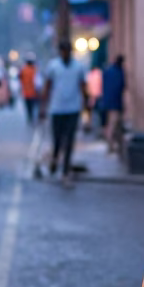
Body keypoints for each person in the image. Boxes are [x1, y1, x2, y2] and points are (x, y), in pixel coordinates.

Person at [40, 39, 86, 186]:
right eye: (63, 51)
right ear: (60, 52)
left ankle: (65, 171)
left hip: (73, 108)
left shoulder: (78, 67)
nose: (65, 54)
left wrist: (86, 105)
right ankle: (54, 159)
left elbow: (82, 86)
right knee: (58, 140)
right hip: (57, 108)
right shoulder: (53, 66)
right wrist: (43, 106)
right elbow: (47, 87)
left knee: (69, 141)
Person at [101, 55, 126, 153]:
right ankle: (110, 144)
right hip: (115, 102)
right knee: (114, 123)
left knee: (115, 123)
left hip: (107, 101)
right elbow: (121, 86)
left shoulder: (108, 71)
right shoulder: (119, 72)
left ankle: (116, 145)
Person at [19, 53, 39, 126]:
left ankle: (30, 117)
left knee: (29, 107)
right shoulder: (34, 69)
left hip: (28, 92)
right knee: (32, 107)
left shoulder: (24, 69)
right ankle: (31, 118)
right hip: (32, 92)